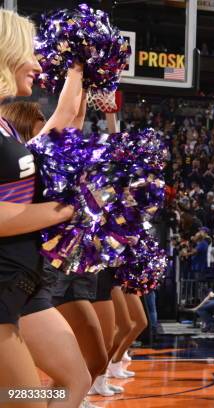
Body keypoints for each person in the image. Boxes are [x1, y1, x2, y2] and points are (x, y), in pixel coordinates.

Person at [0, 9, 74, 407]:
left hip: (18, 288)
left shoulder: (4, 128)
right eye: (30, 52)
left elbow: (61, 125)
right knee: (25, 400)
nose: (38, 63)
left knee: (57, 387)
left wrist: (81, 69)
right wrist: (69, 209)